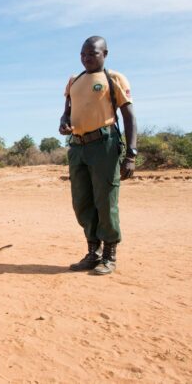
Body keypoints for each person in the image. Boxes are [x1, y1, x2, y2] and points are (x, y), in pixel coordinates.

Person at [59, 36, 138, 275]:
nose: (86, 58)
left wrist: (131, 154)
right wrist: (64, 124)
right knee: (82, 202)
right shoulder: (74, 80)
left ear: (105, 54)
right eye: (83, 54)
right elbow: (66, 113)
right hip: (77, 147)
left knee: (105, 201)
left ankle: (109, 256)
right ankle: (92, 253)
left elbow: (129, 117)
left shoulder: (113, 78)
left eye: (92, 54)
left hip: (104, 144)